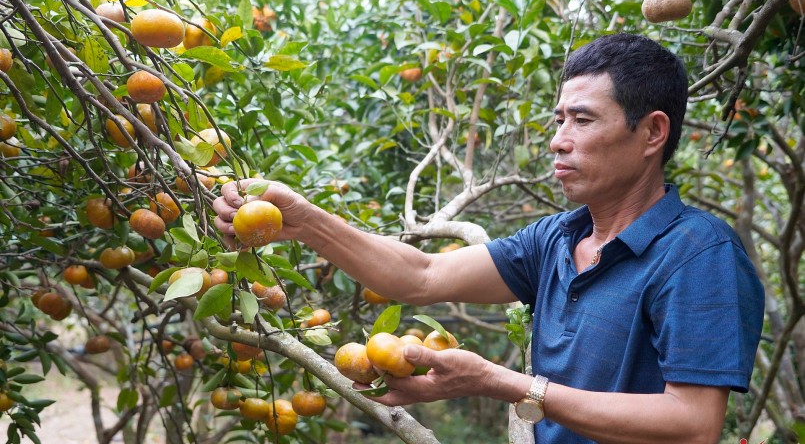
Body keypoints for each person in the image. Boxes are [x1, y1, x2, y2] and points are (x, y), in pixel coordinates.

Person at [213, 33, 765, 443]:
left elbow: (693, 425)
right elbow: (421, 276)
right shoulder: (556, 238)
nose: (558, 141)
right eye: (557, 121)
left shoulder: (697, 253)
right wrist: (305, 220)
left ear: (652, 132)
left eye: (582, 120)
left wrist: (506, 384)